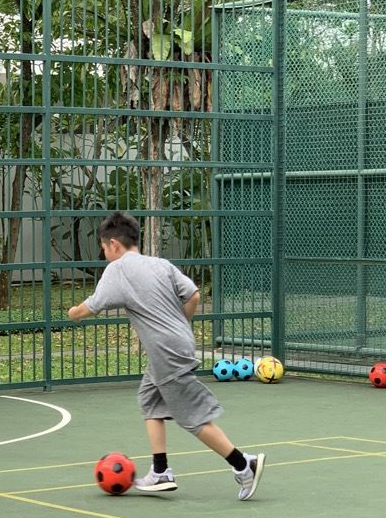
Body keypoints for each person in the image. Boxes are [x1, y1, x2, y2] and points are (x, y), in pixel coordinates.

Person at [67, 211, 265, 500]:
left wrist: (72, 313)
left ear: (114, 244)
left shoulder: (118, 269)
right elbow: (193, 295)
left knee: (192, 417)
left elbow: (90, 307)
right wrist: (179, 326)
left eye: (103, 247)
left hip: (166, 352)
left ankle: (243, 464)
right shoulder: (161, 264)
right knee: (149, 398)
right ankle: (160, 472)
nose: (103, 252)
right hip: (177, 344)